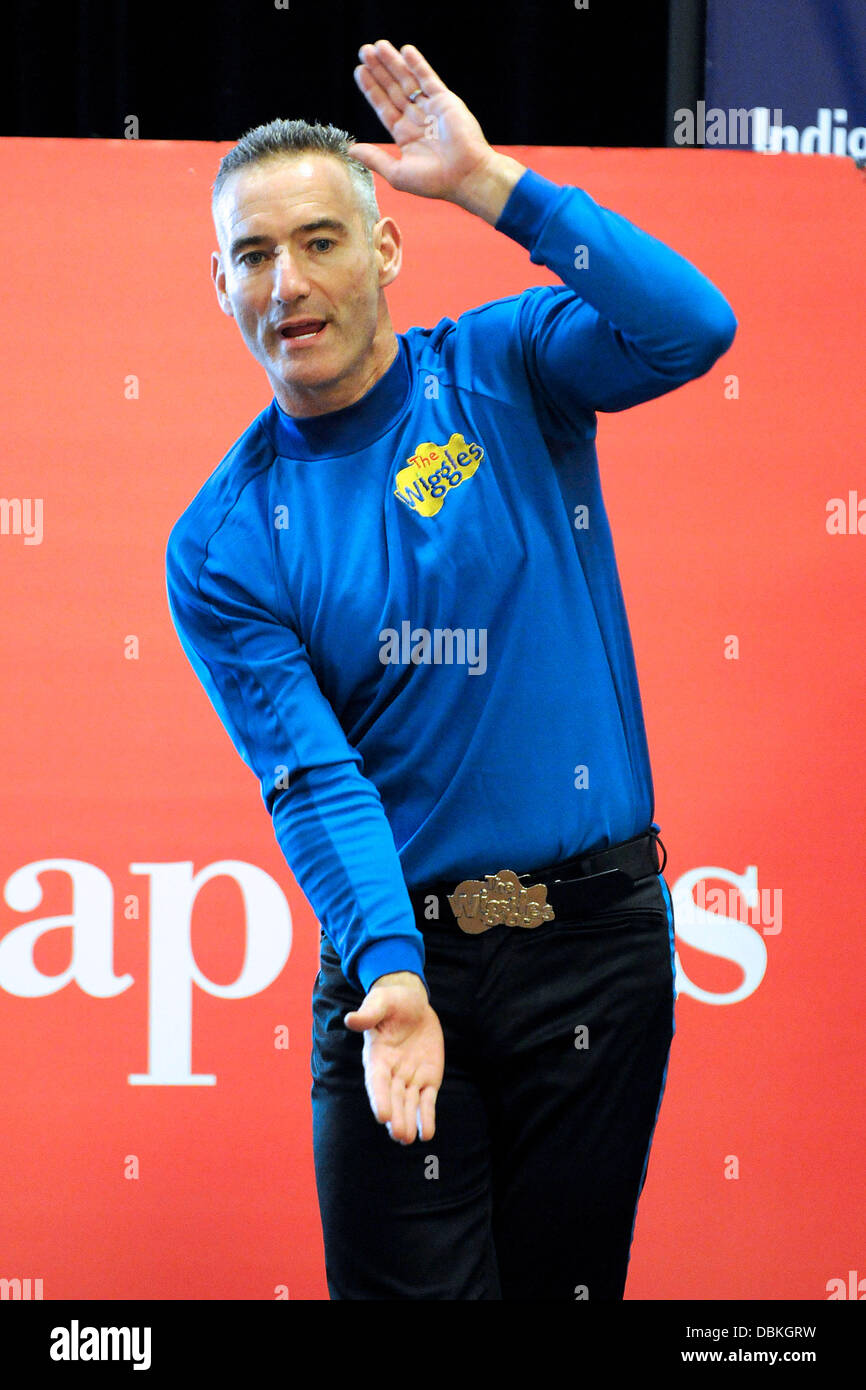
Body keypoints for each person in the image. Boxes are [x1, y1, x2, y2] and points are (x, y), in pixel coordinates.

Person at [166, 39, 736, 1300]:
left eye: (320, 240)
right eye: (253, 256)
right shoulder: (221, 543)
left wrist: (493, 187)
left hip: (596, 950)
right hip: (398, 977)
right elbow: (314, 782)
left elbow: (693, 326)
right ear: (219, 286)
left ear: (386, 250)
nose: (289, 282)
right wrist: (393, 974)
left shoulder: (503, 369)